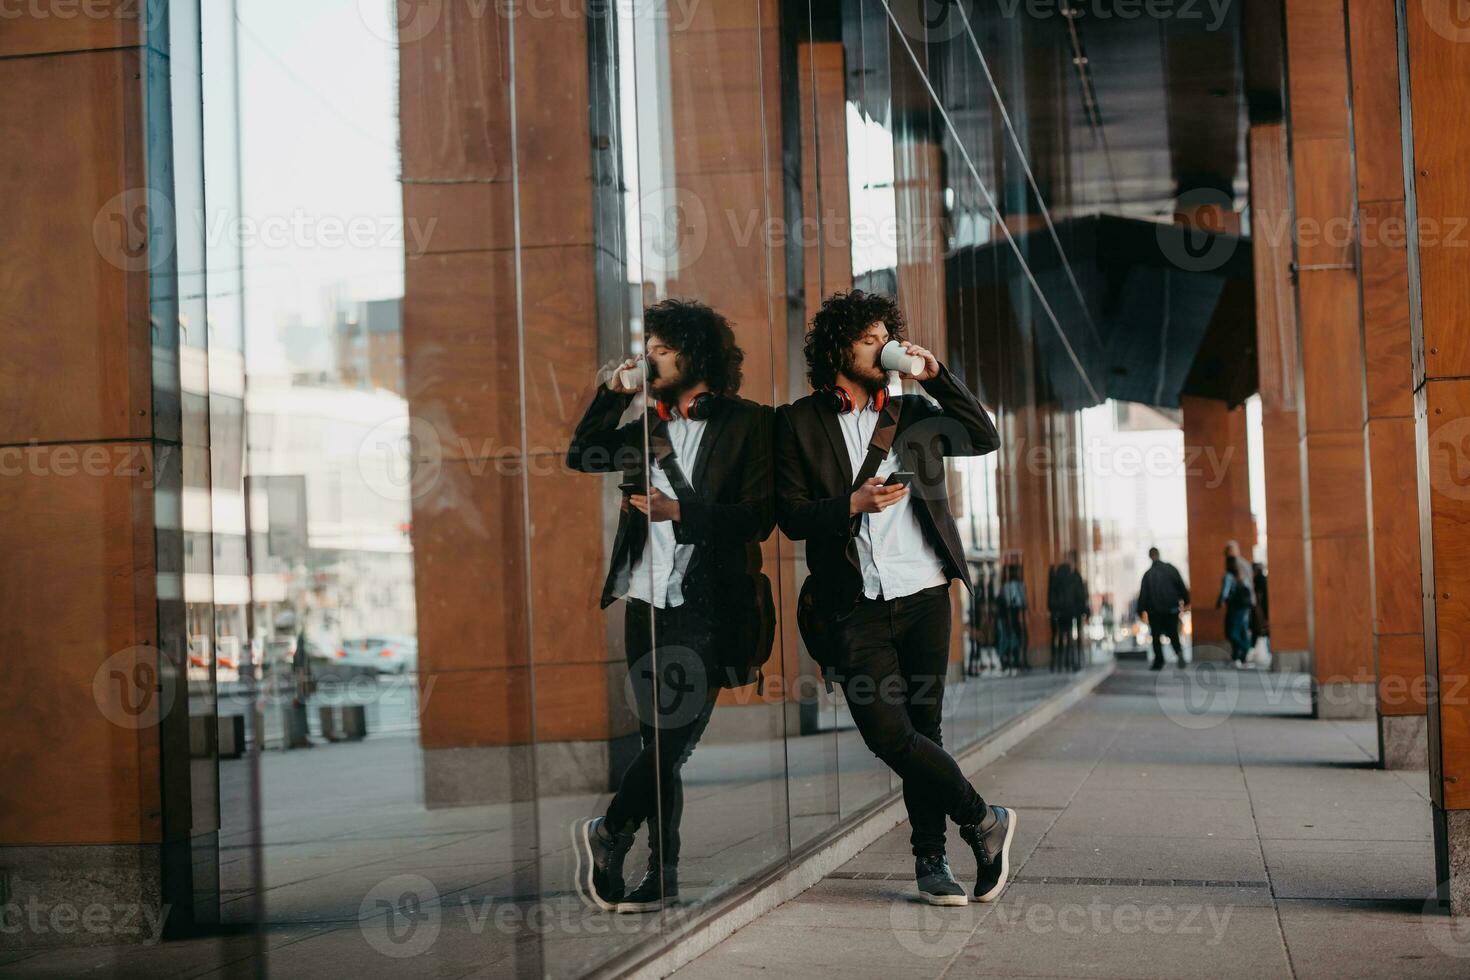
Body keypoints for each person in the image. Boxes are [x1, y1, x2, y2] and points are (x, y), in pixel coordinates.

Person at [774, 289, 1017, 907]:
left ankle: (931, 863)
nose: (880, 347)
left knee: (924, 729)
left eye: (886, 335)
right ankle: (983, 819)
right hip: (853, 604)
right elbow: (791, 517)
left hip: (925, 593)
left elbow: (983, 437)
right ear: (837, 348)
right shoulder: (797, 422)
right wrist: (851, 505)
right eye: (867, 338)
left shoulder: (911, 413)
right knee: (889, 734)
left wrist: (938, 376)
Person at [568, 299, 775, 914]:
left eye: (661, 348)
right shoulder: (640, 427)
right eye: (648, 348)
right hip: (644, 604)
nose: (650, 358)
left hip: (709, 606)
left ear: (696, 355)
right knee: (659, 743)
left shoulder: (750, 424)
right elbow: (581, 453)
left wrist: (682, 512)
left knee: (671, 745)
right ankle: (661, 875)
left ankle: (610, 833)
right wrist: (613, 390)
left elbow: (761, 518)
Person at [1137, 547, 1190, 669]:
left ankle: (1159, 661)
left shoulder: (1148, 574)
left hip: (1155, 611)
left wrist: (1140, 610)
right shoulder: (1171, 569)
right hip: (1171, 608)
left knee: (1156, 636)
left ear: (1150, 556)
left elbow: (1143, 594)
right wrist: (1186, 600)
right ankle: (1179, 653)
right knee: (1173, 633)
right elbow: (1181, 585)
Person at [1216, 545, 1255, 667]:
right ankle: (1240, 657)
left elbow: (1225, 591)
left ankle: (1246, 650)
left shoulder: (1231, 573)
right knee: (1241, 630)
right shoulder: (1243, 571)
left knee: (1232, 632)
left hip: (1236, 607)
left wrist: (1220, 601)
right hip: (1244, 606)